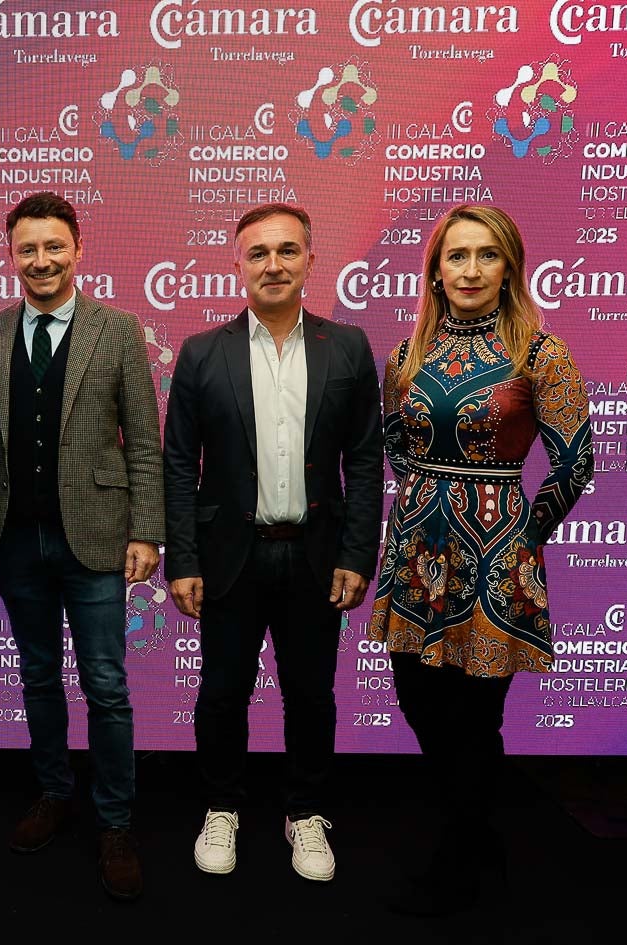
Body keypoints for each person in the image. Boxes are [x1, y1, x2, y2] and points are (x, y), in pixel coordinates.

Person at [369, 204, 594, 915]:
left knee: (474, 720)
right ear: (435, 270)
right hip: (413, 558)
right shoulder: (403, 358)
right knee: (416, 701)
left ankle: (461, 858)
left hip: (493, 566)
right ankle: (474, 835)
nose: (469, 269)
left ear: (508, 268)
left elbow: (575, 460)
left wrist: (521, 540)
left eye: (485, 255)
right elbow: (394, 444)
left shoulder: (540, 354)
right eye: (456, 255)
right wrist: (421, 507)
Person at [162, 203, 383, 884]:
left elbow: (366, 460)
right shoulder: (202, 351)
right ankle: (223, 804)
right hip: (229, 556)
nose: (273, 264)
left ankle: (305, 810)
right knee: (222, 692)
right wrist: (184, 559)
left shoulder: (346, 347)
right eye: (257, 253)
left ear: (310, 261)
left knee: (310, 693)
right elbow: (177, 462)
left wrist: (355, 553)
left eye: (287, 251)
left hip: (317, 556)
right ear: (237, 264)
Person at [0, 192, 164, 901]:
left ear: (78, 249)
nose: (41, 260)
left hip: (98, 536)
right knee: (37, 679)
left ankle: (113, 820)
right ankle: (53, 791)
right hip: (15, 539)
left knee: (107, 686)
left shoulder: (118, 329)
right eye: (27, 249)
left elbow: (143, 440)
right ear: (11, 256)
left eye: (54, 246)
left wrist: (147, 529)